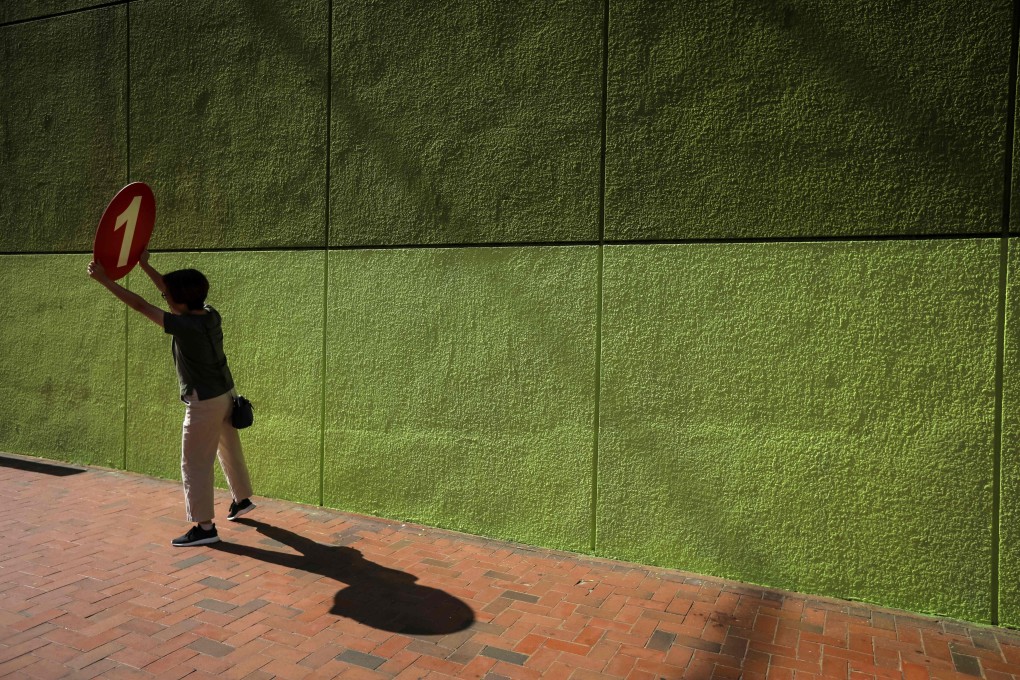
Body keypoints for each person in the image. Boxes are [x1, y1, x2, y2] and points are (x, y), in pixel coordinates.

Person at [88, 251, 255, 546]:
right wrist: (144, 265)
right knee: (228, 447)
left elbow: (140, 305)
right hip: (227, 392)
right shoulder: (210, 314)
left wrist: (104, 281)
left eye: (168, 298)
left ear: (178, 303)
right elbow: (169, 291)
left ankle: (205, 528)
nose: (165, 299)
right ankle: (242, 500)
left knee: (194, 463)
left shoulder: (183, 326)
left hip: (204, 401)